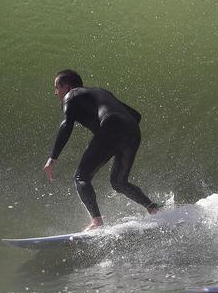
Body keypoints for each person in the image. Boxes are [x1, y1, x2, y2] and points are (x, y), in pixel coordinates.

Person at [43, 69, 159, 231]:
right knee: (119, 182)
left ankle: (97, 222)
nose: (56, 93)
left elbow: (66, 125)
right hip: (132, 131)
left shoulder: (72, 95)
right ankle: (154, 209)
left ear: (67, 87)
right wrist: (119, 138)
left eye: (57, 87)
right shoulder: (99, 92)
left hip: (112, 126)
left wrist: (52, 157)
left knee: (81, 178)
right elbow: (135, 115)